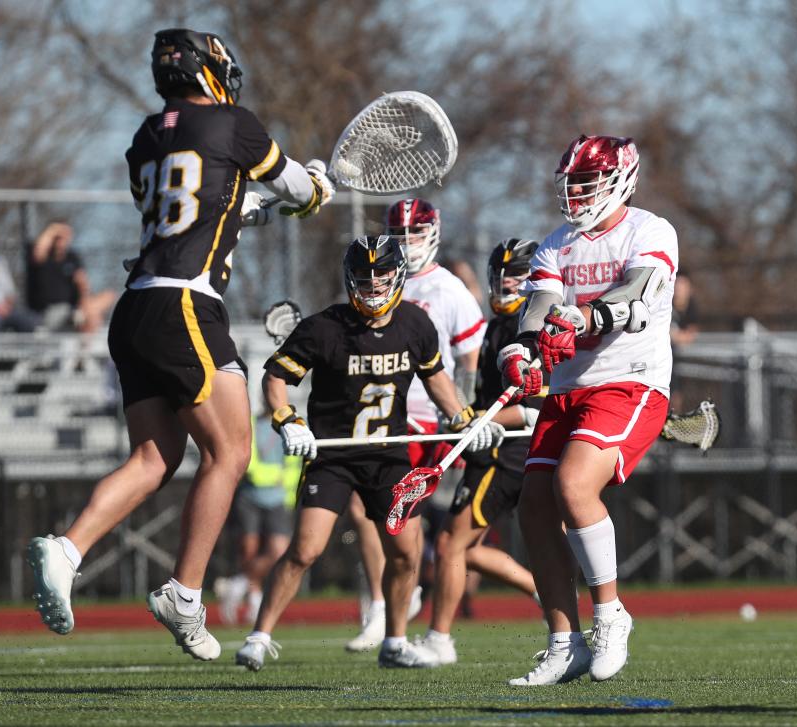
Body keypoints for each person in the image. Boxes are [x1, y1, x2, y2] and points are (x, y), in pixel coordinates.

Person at [25, 27, 334, 662]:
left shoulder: (144, 138)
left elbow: (189, 206)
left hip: (134, 304)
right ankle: (183, 592)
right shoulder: (234, 121)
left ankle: (68, 549)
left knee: (155, 457)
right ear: (208, 73)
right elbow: (297, 191)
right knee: (233, 450)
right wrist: (314, 187)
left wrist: (247, 204)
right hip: (185, 304)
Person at [235, 235, 502, 671]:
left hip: (388, 457)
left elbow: (436, 380)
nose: (374, 285)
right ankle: (260, 636)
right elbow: (275, 379)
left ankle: (394, 641)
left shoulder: (415, 324)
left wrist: (463, 418)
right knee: (305, 549)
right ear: (349, 279)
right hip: (335, 456)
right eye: (365, 277)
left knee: (406, 554)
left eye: (382, 276)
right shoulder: (325, 327)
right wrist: (287, 419)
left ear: (398, 276)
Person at [498, 135, 677, 684]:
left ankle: (610, 615)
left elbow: (635, 292)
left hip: (630, 382)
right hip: (567, 390)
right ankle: (562, 642)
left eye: (587, 184)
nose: (576, 196)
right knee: (533, 505)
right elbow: (542, 305)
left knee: (575, 486)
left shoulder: (649, 230)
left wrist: (586, 319)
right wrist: (524, 352)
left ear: (621, 179)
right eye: (570, 186)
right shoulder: (556, 244)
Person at [342, 198, 488, 653]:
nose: (406, 245)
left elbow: (470, 361)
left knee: (399, 516)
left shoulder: (450, 290)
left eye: (414, 235)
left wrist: (461, 418)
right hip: (382, 413)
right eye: (399, 236)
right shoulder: (377, 280)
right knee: (364, 510)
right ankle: (385, 604)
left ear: (434, 234)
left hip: (428, 418)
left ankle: (396, 602)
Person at [417, 238, 542, 665]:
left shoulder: (528, 329)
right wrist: (467, 417)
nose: (506, 281)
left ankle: (439, 639)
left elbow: (531, 410)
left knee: (451, 543)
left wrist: (480, 420)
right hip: (488, 449)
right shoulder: (496, 326)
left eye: (517, 273)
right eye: (501, 272)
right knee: (463, 548)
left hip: (507, 453)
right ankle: (544, 589)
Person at [214, 406, 300, 625]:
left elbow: (294, 464)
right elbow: (250, 465)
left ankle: (238, 585)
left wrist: (287, 493)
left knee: (279, 550)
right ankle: (254, 598)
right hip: (250, 496)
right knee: (248, 549)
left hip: (278, 499)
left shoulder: (292, 426)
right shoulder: (251, 423)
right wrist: (274, 476)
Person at [26, 222, 117, 333]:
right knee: (91, 314)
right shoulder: (43, 257)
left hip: (74, 309)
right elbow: (38, 252)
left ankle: (87, 336)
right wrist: (53, 229)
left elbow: (82, 283)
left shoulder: (72, 257)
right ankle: (87, 344)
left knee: (108, 296)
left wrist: (84, 302)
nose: (64, 239)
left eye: (67, 235)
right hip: (50, 311)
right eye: (60, 236)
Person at [669, 270, 699, 411]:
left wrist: (676, 336)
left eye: (682, 286)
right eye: (676, 285)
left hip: (681, 363)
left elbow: (691, 335)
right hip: (667, 360)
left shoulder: (692, 308)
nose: (678, 290)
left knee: (678, 397)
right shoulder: (666, 305)